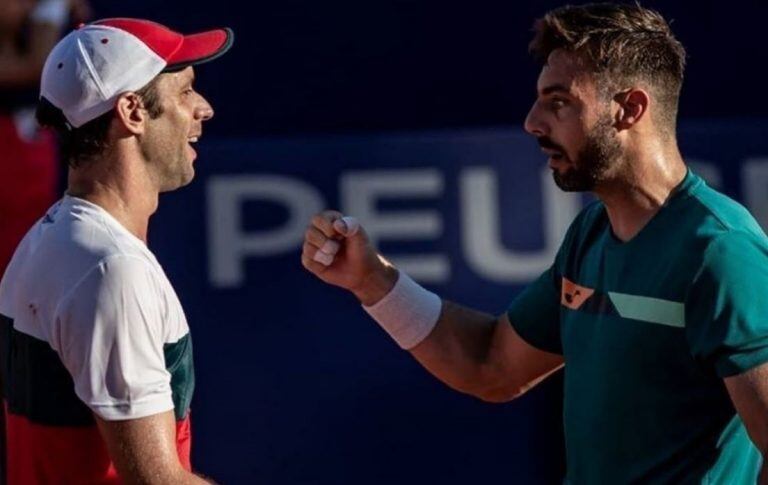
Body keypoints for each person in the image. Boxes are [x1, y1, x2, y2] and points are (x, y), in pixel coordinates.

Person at [302, 3, 768, 483]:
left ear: (629, 109)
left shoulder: (721, 253)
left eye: (559, 101)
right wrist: (373, 281)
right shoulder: (589, 235)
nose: (532, 122)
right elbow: (491, 367)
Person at [0, 17, 233, 484]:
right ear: (132, 111)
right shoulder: (111, 271)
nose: (203, 108)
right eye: (185, 91)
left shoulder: (50, 240)